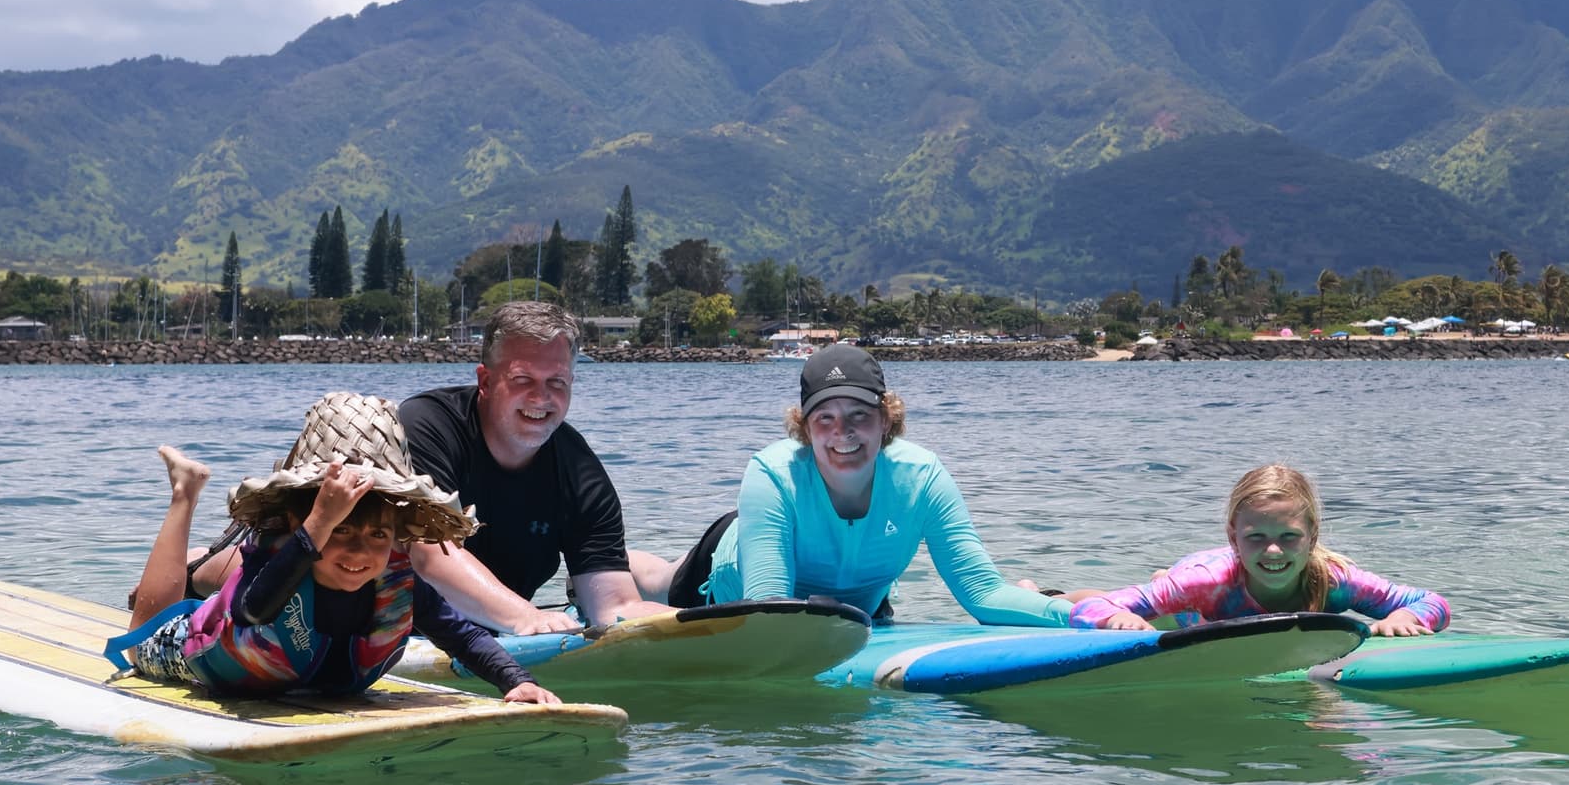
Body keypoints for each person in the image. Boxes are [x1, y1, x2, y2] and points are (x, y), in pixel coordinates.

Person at [111, 393, 556, 704]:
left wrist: (516, 682)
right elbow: (252, 610)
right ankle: (185, 492)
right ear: (299, 523)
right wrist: (319, 523)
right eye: (341, 531)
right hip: (194, 648)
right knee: (142, 638)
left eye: (378, 536)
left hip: (303, 678)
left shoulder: (396, 583)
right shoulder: (279, 555)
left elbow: (462, 634)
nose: (360, 552)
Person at [666, 344, 1071, 626]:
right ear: (804, 429)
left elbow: (982, 594)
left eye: (859, 414)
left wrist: (1081, 617)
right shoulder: (771, 473)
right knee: (659, 580)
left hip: (853, 612)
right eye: (825, 418)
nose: (843, 432)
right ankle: (616, 560)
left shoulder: (922, 477)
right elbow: (769, 607)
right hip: (729, 568)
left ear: (886, 420)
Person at [398, 301, 674, 634]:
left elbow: (614, 607)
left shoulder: (579, 471)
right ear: (484, 381)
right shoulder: (427, 428)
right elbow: (431, 555)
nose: (540, 397)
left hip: (506, 634)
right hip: (395, 630)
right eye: (522, 379)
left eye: (556, 383)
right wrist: (526, 618)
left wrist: (704, 628)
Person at [1069, 463, 1451, 635]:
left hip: (1204, 596)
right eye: (1256, 537)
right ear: (1234, 538)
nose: (1273, 551)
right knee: (1150, 602)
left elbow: (1431, 601)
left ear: (1313, 537)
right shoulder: (1207, 582)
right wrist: (1113, 619)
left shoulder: (1334, 579)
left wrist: (1406, 618)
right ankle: (1044, 593)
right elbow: (1089, 612)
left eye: (1288, 537)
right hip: (1195, 588)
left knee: (1159, 596)